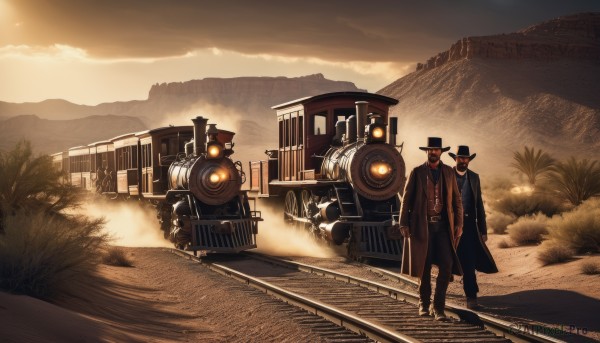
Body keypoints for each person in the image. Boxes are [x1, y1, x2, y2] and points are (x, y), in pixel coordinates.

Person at [399, 137, 463, 321]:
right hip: (422, 227)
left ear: (441, 152)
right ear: (427, 151)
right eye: (430, 150)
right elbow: (406, 199)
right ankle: (424, 305)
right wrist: (403, 223)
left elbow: (457, 201)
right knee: (424, 268)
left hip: (443, 227)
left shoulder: (449, 172)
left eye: (436, 150)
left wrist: (460, 224)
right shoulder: (417, 172)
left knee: (447, 266)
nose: (433, 152)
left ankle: (439, 308)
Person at [449, 145, 498, 310]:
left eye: (466, 159)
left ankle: (471, 298)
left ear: (469, 160)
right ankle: (435, 301)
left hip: (469, 226)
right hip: (449, 226)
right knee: (446, 260)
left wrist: (483, 230)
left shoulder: (474, 178)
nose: (463, 161)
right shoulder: (447, 175)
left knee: (469, 262)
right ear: (455, 159)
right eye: (460, 158)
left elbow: (479, 205)